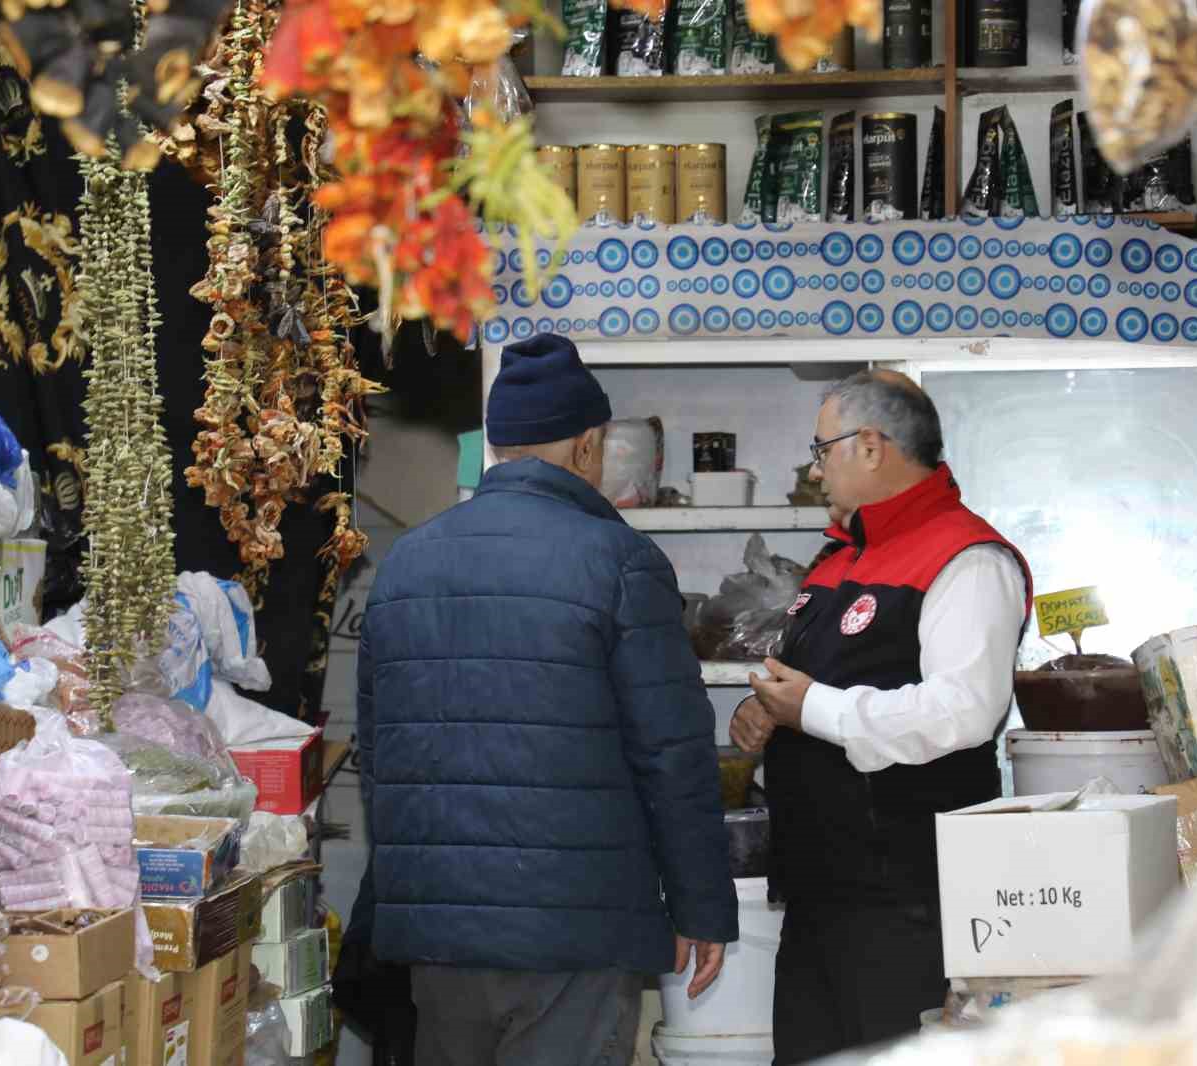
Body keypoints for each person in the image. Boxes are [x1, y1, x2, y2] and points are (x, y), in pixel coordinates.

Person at [356, 332, 739, 1066]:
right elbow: (672, 753)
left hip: (439, 935)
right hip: (574, 932)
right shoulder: (621, 561)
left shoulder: (407, 561)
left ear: (498, 445)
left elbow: (382, 757)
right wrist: (701, 906)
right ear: (588, 444)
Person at [729, 369, 1031, 1064]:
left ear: (870, 446)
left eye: (820, 449)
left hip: (902, 899)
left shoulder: (967, 558)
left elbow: (964, 712)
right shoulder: (838, 559)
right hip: (818, 893)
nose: (814, 470)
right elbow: (821, 687)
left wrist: (813, 707)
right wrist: (767, 712)